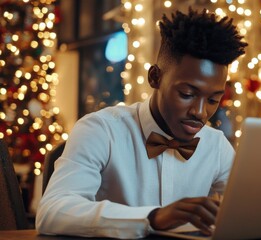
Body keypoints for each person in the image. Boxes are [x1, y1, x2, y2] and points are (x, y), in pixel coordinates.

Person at [36, 7, 247, 239]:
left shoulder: (216, 145)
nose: (199, 112)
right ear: (155, 77)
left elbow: (252, 212)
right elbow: (53, 211)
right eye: (187, 94)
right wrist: (153, 217)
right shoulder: (100, 129)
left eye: (213, 100)